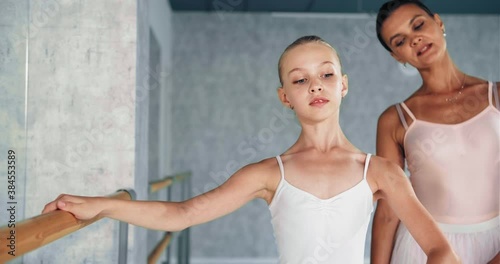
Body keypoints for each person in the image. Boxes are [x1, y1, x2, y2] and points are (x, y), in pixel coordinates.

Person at [43, 35, 460, 264]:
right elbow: (182, 215)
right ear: (285, 97)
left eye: (326, 74)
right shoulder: (266, 173)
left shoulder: (380, 172)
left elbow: (440, 249)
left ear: (343, 85)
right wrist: (100, 206)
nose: (315, 85)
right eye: (300, 80)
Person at [371, 1, 500, 264]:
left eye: (418, 25)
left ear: (438, 23)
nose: (415, 39)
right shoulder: (395, 120)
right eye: (400, 41)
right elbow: (388, 210)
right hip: (423, 250)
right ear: (397, 56)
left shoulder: (496, 96)